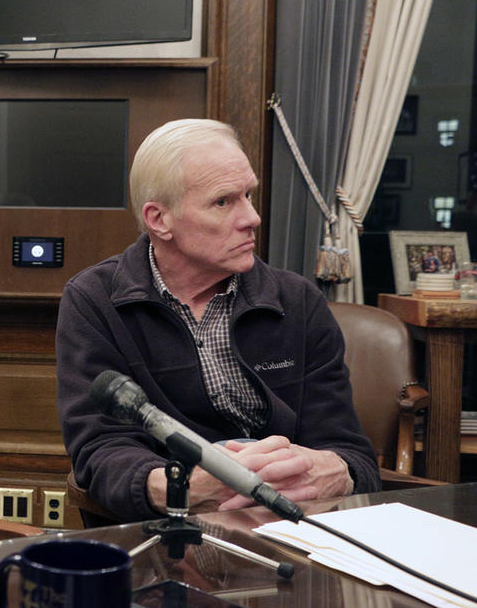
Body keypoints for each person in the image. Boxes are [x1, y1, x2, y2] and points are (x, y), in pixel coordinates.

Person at [56, 119, 380, 523]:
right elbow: (102, 450)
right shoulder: (95, 300)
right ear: (160, 220)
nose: (252, 218)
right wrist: (182, 487)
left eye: (248, 194)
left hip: (291, 530)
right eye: (223, 202)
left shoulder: (297, 301)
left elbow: (352, 456)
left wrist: (334, 472)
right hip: (162, 534)